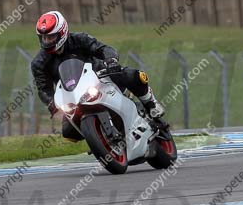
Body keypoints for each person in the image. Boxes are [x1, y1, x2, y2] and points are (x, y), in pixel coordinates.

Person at [30, 11, 165, 141]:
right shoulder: (38, 63)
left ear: (62, 32)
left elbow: (103, 49)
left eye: (51, 37)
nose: (47, 41)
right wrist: (51, 102)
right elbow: (43, 89)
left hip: (100, 77)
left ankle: (150, 102)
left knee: (133, 75)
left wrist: (111, 60)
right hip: (73, 96)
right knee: (68, 132)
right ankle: (98, 137)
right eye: (44, 38)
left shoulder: (79, 39)